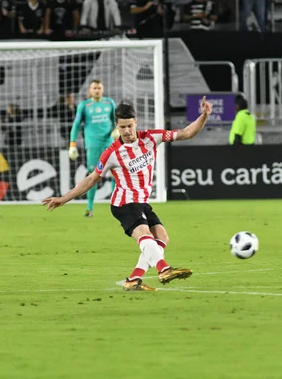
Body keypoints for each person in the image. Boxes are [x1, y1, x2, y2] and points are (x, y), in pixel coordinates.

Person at [43, 96, 213, 291]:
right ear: (117, 125)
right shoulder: (112, 153)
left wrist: (204, 116)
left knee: (162, 238)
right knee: (145, 235)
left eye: (129, 126)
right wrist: (64, 198)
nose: (126, 131)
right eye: (122, 127)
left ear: (136, 123)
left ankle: (133, 280)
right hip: (123, 203)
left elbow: (185, 133)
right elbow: (91, 180)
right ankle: (164, 269)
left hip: (141, 202)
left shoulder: (151, 138)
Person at [68, 79, 116, 218]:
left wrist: (117, 131)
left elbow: (116, 121)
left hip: (109, 143)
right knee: (93, 176)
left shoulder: (109, 103)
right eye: (94, 88)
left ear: (103, 89)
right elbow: (76, 124)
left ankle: (116, 205)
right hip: (93, 144)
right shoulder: (84, 105)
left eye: (99, 88)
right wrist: (72, 143)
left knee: (116, 173)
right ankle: (90, 207)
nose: (97, 90)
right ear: (90, 90)